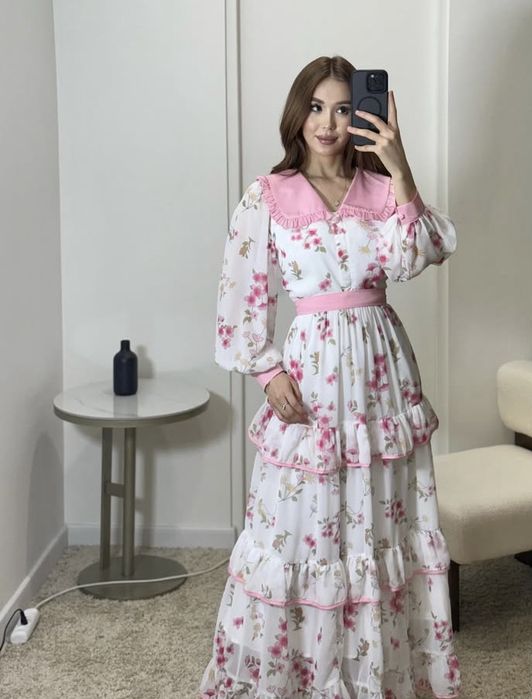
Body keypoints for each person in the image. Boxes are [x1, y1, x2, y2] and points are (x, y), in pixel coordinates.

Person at [199, 55, 462, 699]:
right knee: (300, 526)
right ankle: (301, 677)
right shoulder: (268, 195)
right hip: (309, 377)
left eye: (344, 109)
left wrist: (399, 167)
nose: (328, 122)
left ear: (362, 116)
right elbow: (241, 294)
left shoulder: (381, 189)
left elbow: (423, 252)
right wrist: (267, 372)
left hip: (380, 375)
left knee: (378, 524)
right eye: (316, 107)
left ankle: (375, 678)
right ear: (298, 113)